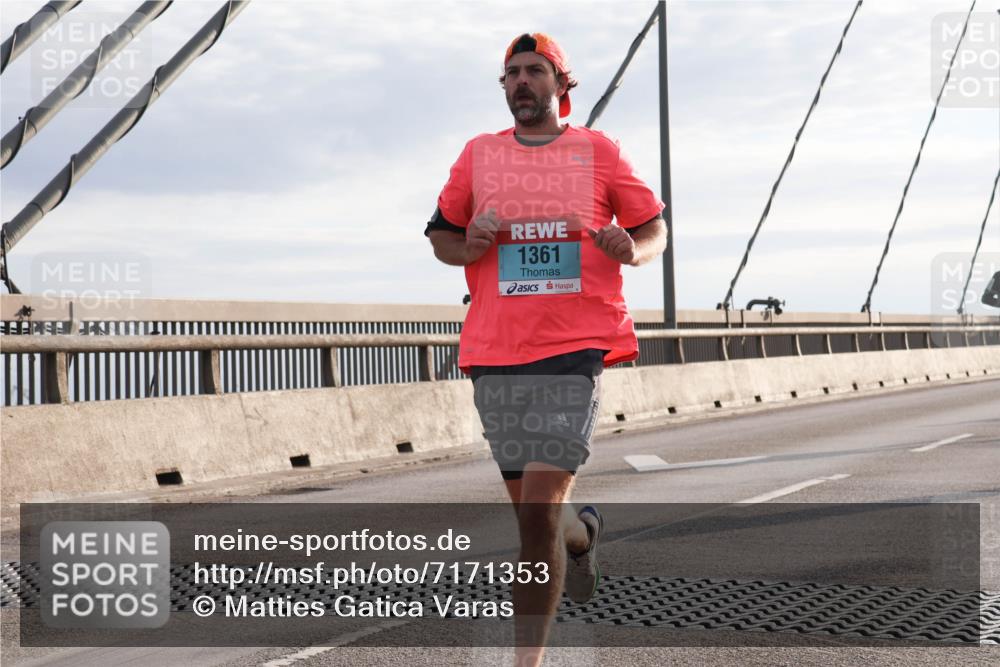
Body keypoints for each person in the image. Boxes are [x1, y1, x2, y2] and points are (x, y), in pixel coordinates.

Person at [424, 32, 667, 666]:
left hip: (573, 348)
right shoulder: (478, 156)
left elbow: (653, 226)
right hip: (495, 352)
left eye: (535, 71)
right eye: (511, 74)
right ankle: (581, 537)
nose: (521, 81)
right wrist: (470, 243)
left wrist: (632, 249)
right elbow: (442, 240)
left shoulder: (598, 151)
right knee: (541, 520)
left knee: (533, 522)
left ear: (562, 84)